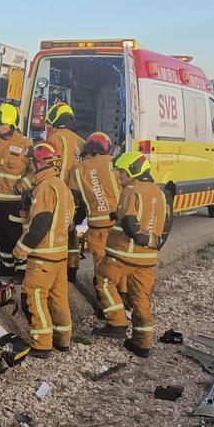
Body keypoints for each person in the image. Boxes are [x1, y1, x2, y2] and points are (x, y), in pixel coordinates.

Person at [93, 151, 168, 358]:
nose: (119, 177)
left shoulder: (130, 190)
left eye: (121, 173)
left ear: (132, 172)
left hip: (123, 253)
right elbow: (165, 223)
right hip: (147, 258)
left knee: (104, 279)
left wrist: (140, 237)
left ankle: (116, 322)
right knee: (141, 298)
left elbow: (129, 222)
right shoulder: (159, 192)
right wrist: (153, 242)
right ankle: (142, 344)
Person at [13, 141, 75, 358]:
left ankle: (41, 343)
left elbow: (41, 222)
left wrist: (21, 249)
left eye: (31, 163)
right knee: (58, 297)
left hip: (43, 255)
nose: (29, 167)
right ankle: (62, 339)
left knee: (35, 295)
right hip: (59, 254)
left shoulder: (45, 187)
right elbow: (68, 223)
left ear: (38, 163)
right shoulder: (61, 186)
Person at [0, 103, 32, 277]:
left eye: (2, 127)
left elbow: (33, 170)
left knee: (15, 236)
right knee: (1, 235)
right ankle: (7, 265)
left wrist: (23, 185)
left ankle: (21, 270)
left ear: (12, 125)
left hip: (14, 202)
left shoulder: (25, 144)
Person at [42, 102, 86, 280]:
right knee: (71, 231)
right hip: (76, 194)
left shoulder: (55, 138)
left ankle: (54, 269)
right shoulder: (81, 141)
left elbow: (47, 165)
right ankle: (72, 269)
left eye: (49, 124)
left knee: (55, 231)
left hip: (58, 193)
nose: (48, 128)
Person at [68, 132, 119, 277]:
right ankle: (122, 294)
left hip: (97, 226)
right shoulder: (114, 163)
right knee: (119, 260)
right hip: (119, 223)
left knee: (101, 262)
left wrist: (75, 221)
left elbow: (75, 200)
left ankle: (103, 292)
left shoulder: (78, 169)